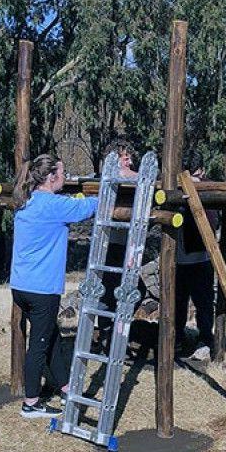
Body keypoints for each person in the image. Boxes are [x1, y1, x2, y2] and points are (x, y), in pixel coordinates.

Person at [10, 154, 98, 418]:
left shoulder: (28, 201)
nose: (66, 177)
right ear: (51, 177)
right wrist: (100, 191)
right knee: (38, 345)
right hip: (41, 289)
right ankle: (31, 403)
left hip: (22, 286)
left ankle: (65, 386)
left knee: (50, 337)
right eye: (63, 173)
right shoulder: (53, 205)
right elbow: (90, 207)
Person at [96, 145, 139, 349]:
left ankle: (108, 330)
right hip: (112, 244)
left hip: (120, 243)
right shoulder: (113, 175)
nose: (129, 162)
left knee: (114, 289)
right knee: (114, 289)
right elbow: (127, 174)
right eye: (125, 158)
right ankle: (107, 331)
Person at [174, 163, 218, 361]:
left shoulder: (206, 188)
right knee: (177, 304)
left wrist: (196, 183)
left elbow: (212, 219)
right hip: (178, 259)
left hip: (200, 258)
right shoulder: (175, 186)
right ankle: (177, 338)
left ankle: (205, 341)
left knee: (204, 304)